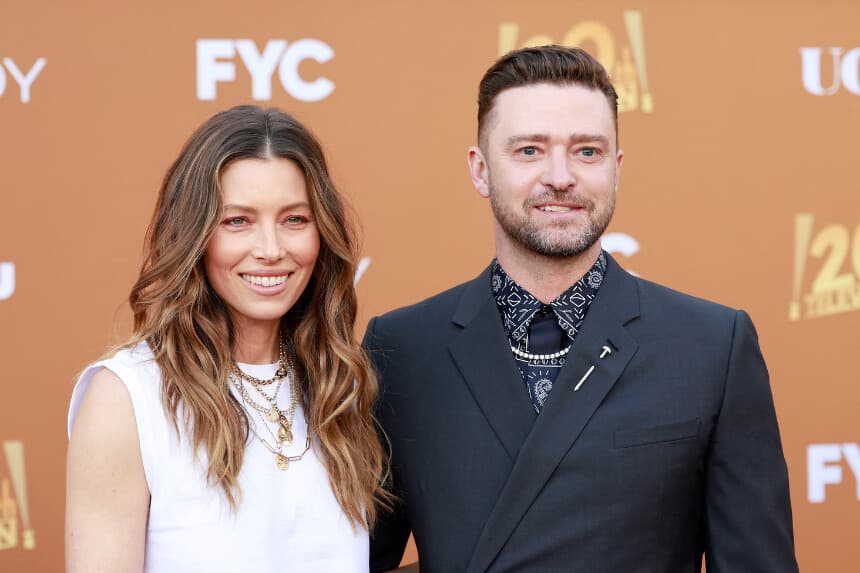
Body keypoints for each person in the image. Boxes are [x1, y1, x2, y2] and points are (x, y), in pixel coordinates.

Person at [365, 46, 798, 572]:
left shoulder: (712, 346)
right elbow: (353, 557)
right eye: (528, 150)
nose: (561, 176)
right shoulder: (402, 349)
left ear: (616, 169)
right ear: (480, 171)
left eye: (586, 151)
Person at [66, 105, 390, 572]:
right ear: (193, 234)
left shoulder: (339, 387)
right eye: (238, 221)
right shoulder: (127, 396)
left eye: (294, 219)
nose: (271, 249)